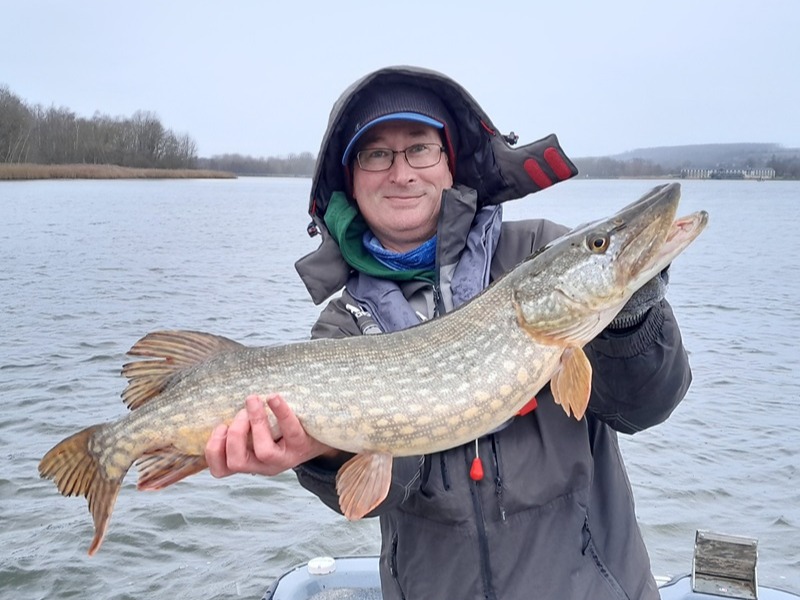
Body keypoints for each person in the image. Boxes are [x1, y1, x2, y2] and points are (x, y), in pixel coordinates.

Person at [205, 66, 692, 600]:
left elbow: (644, 407)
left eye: (420, 148)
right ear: (350, 180)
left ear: (449, 162)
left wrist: (628, 317)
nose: (401, 173)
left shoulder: (536, 251)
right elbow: (376, 491)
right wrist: (322, 453)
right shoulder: (344, 326)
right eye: (376, 155)